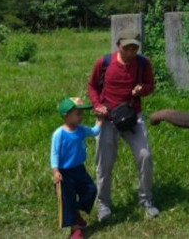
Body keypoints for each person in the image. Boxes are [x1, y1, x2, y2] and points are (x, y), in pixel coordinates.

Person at [86, 28, 159, 221]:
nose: (130, 52)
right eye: (127, 48)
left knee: (145, 156)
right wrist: (97, 105)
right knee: (104, 163)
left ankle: (146, 199)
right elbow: (92, 86)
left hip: (132, 116)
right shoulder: (104, 62)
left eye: (134, 48)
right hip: (108, 118)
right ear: (118, 45)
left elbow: (151, 85)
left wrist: (142, 90)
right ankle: (104, 204)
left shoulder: (143, 63)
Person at [51, 97, 102, 239]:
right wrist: (55, 171)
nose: (81, 117)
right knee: (68, 199)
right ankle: (75, 229)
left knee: (91, 190)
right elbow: (54, 154)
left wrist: (100, 120)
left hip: (79, 169)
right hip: (64, 173)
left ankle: (75, 212)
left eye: (81, 113)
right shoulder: (59, 134)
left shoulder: (81, 130)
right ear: (66, 116)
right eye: (77, 114)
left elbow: (94, 131)